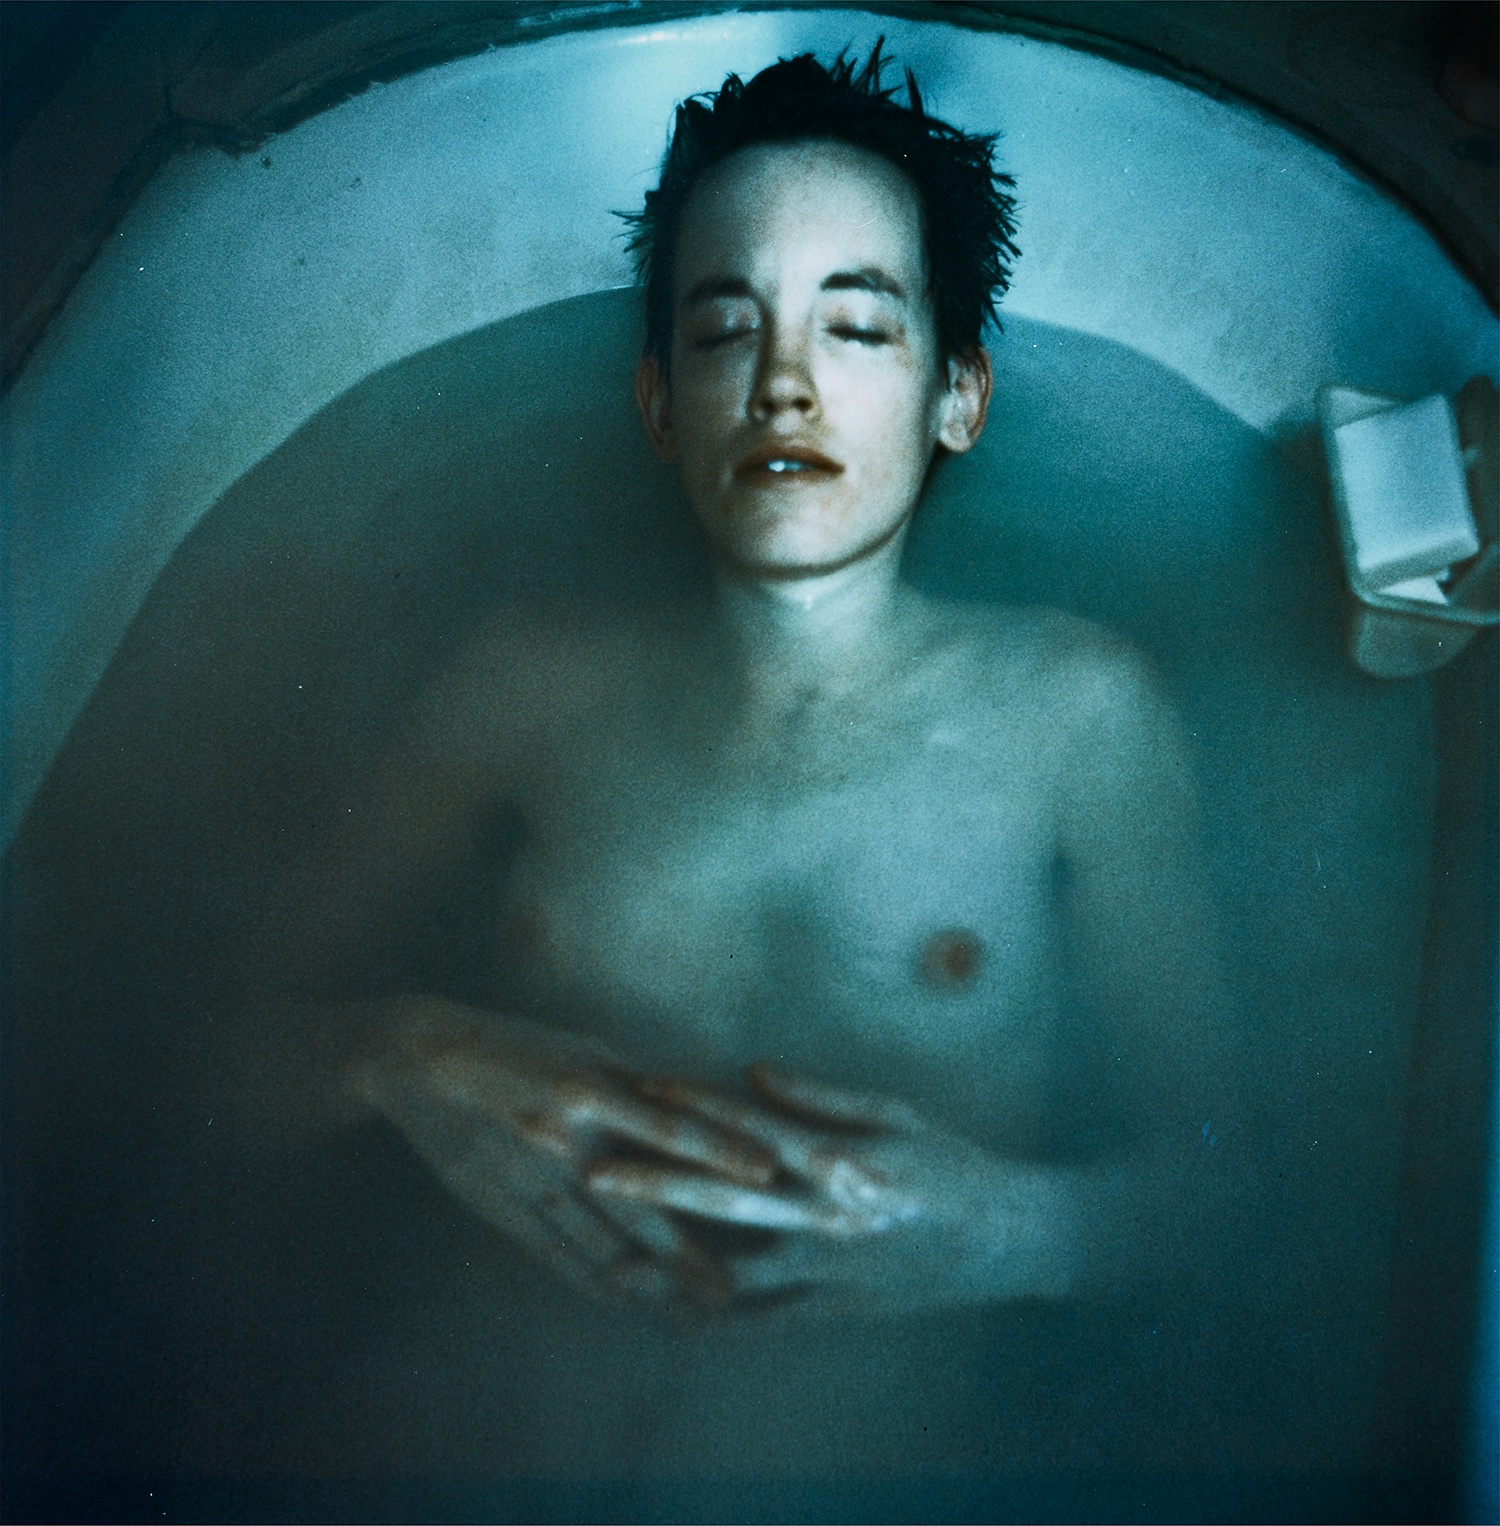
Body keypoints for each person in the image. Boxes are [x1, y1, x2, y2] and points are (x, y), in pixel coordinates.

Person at [234, 46, 1232, 1484]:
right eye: (724, 330)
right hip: (462, 1436)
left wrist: (1019, 1227)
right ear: (657, 404)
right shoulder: (523, 679)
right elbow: (200, 1073)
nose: (782, 385)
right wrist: (408, 1052)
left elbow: (1248, 1207)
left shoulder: (1075, 711)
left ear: (960, 394)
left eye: (856, 327)